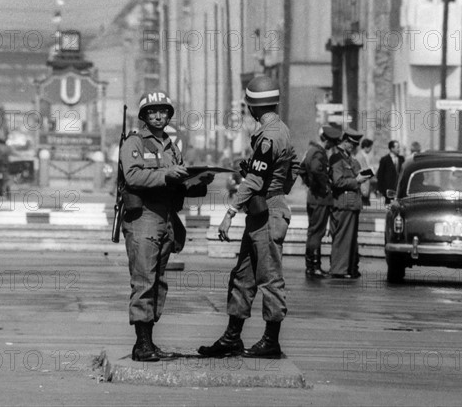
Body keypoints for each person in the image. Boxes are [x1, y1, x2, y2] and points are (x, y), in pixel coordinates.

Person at [198, 75, 299, 359]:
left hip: (268, 212)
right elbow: (292, 168)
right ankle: (232, 337)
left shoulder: (269, 136)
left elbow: (255, 181)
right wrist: (274, 181)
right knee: (243, 276)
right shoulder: (280, 130)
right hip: (263, 212)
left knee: (269, 278)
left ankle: (271, 341)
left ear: (253, 106)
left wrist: (230, 212)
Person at [120, 90, 214, 362]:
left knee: (158, 282)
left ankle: (149, 340)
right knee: (144, 281)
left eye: (163, 111)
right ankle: (142, 344)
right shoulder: (134, 142)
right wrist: (166, 174)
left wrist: (199, 182)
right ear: (144, 116)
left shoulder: (171, 147)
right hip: (143, 217)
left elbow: (179, 181)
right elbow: (133, 175)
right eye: (152, 111)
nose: (159, 116)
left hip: (166, 217)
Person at [300, 125, 342, 279]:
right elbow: (316, 169)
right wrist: (324, 186)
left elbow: (302, 169)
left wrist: (310, 184)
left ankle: (311, 265)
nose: (332, 145)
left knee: (313, 231)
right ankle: (314, 266)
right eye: (332, 142)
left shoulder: (310, 150)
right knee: (317, 232)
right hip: (320, 199)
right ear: (328, 141)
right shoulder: (319, 152)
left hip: (313, 197)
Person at [328, 129, 371, 279]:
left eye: (355, 144)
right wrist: (356, 181)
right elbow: (337, 181)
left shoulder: (351, 160)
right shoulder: (336, 159)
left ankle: (350, 267)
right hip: (343, 203)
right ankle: (339, 269)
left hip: (352, 204)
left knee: (351, 239)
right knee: (342, 238)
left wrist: (363, 177)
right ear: (344, 141)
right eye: (351, 143)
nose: (353, 147)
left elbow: (357, 173)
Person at [376, 140, 405, 204]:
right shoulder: (384, 160)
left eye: (399, 147)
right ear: (392, 148)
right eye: (397, 147)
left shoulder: (401, 159)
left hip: (399, 189)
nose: (399, 149)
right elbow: (380, 175)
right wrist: (379, 189)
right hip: (388, 190)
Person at [355, 138, 374, 206]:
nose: (371, 149)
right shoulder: (359, 156)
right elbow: (360, 171)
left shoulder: (365, 156)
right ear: (366, 147)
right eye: (370, 147)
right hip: (362, 184)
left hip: (366, 184)